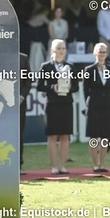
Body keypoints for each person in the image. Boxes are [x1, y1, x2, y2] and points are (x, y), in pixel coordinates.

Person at [36, 39, 79, 175]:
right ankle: (54, 166)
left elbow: (76, 86)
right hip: (52, 104)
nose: (61, 51)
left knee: (65, 136)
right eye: (59, 48)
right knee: (52, 136)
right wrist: (52, 87)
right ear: (53, 50)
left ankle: (62, 166)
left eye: (63, 48)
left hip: (66, 103)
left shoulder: (70, 66)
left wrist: (69, 87)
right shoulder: (46, 66)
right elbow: (39, 86)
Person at [84, 43, 110, 173]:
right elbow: (85, 90)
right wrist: (88, 104)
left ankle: (102, 164)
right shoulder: (89, 70)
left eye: (104, 52)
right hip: (94, 106)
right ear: (95, 53)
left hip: (108, 106)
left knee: (105, 136)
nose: (102, 54)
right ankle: (95, 164)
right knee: (93, 136)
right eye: (100, 51)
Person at [19, 52, 32, 175]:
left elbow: (28, 81)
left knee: (18, 134)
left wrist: (22, 97)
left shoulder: (23, 58)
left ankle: (18, 165)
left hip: (20, 104)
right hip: (0, 105)